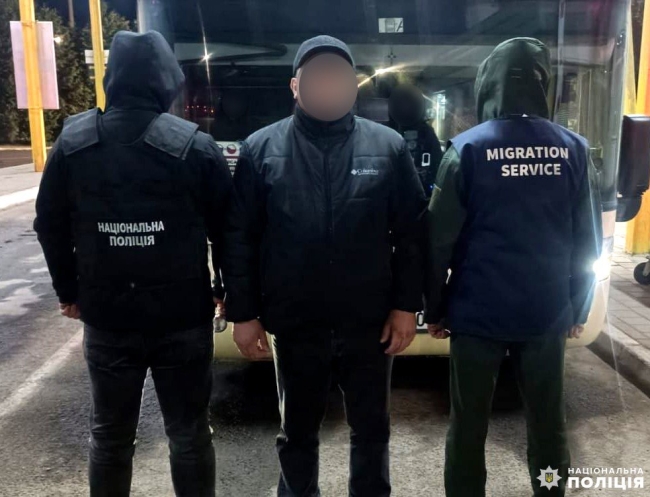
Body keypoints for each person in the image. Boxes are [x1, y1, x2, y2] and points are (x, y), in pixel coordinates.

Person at [222, 35, 427, 497]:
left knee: (372, 430)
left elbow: (412, 234)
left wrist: (405, 306)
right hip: (296, 322)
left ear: (354, 86)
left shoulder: (388, 147)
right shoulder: (261, 149)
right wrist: (244, 313)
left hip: (369, 321)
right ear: (296, 86)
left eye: (340, 77)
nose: (330, 85)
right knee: (296, 432)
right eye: (318, 77)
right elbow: (239, 239)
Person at [33, 31, 232, 497]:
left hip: (107, 317)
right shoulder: (194, 145)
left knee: (110, 436)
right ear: (167, 81)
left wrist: (68, 292)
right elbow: (229, 228)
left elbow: (49, 224)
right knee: (189, 435)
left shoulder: (73, 141)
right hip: (182, 316)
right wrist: (226, 290)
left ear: (111, 78)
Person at [424, 38, 602, 497]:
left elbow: (438, 241)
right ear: (545, 83)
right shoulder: (573, 149)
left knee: (468, 425)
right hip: (546, 312)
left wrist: (435, 308)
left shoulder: (466, 149)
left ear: (488, 82)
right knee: (548, 422)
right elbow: (588, 239)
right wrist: (579, 306)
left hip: (476, 312)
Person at [389, 84, 444, 197]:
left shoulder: (427, 133)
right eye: (402, 105)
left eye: (408, 104)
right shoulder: (390, 132)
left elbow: (436, 163)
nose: (405, 108)